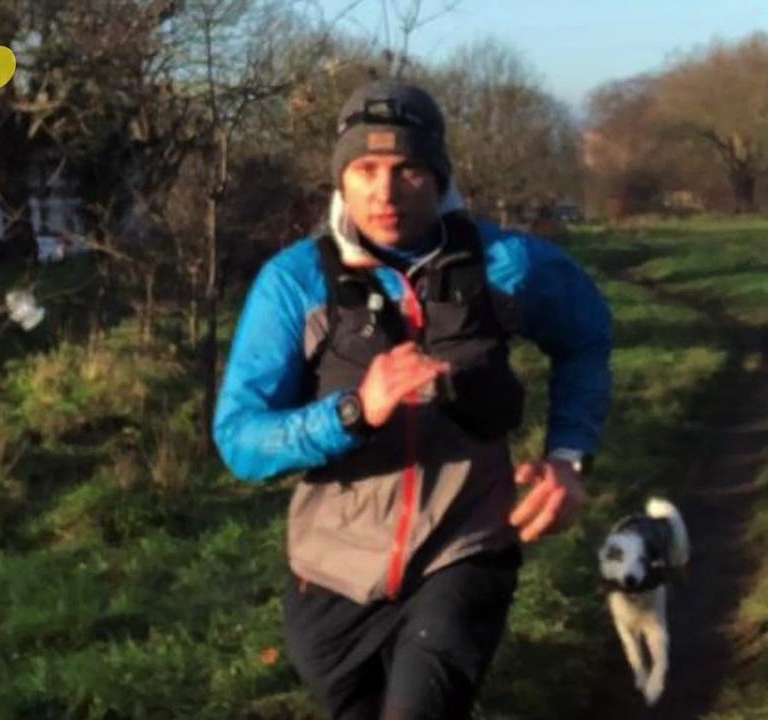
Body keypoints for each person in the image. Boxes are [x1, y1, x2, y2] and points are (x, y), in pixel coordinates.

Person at [213, 80, 611, 719]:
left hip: (463, 549)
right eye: (365, 169)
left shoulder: (508, 264)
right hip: (330, 576)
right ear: (341, 178)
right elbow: (240, 439)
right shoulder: (294, 283)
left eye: (409, 169)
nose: (386, 191)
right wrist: (352, 412)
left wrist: (568, 455)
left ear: (439, 175)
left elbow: (588, 338)